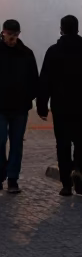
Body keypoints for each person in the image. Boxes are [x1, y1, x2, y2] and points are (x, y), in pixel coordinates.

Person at [37, 15, 82, 197]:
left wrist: (42, 106)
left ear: (61, 29)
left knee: (63, 142)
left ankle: (66, 184)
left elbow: (45, 81)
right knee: (81, 138)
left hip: (61, 104)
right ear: (77, 28)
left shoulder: (53, 51)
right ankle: (78, 169)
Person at [0, 19, 39, 195]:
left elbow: (34, 80)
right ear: (3, 33)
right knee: (0, 142)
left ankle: (13, 178)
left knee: (16, 144)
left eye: (15, 35)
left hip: (19, 108)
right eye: (10, 35)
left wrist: (27, 97)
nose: (12, 39)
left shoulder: (26, 54)